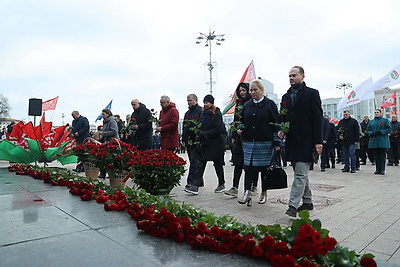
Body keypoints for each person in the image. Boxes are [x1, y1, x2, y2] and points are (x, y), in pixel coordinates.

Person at [278, 66, 323, 217]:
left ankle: (292, 205)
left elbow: (317, 119)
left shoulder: (312, 94)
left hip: (306, 140)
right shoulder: (285, 97)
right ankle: (308, 202)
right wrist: (281, 128)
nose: (291, 78)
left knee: (300, 175)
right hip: (291, 141)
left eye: (294, 75)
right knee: (301, 173)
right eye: (289, 76)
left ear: (302, 76)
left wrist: (318, 141)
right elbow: (283, 117)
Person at [236, 80, 280, 206]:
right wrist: (240, 128)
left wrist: (277, 142)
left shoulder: (269, 104)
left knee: (264, 170)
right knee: (248, 168)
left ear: (262, 90)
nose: (253, 92)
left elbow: (275, 124)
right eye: (251, 90)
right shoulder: (247, 105)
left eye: (255, 90)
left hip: (265, 142)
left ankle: (264, 192)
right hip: (249, 142)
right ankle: (247, 193)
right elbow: (242, 120)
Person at [184, 94, 226, 195]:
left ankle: (221, 184)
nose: (206, 104)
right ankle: (195, 185)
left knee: (217, 164)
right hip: (204, 143)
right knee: (200, 163)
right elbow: (200, 124)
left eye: (207, 102)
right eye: (205, 102)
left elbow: (218, 128)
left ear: (212, 103)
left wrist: (206, 134)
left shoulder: (217, 112)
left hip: (215, 144)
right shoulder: (203, 113)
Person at [225, 82, 251, 197]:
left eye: (244, 90)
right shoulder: (238, 105)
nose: (242, 93)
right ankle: (234, 187)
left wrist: (245, 130)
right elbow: (236, 121)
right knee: (238, 163)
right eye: (240, 91)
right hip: (239, 139)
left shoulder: (251, 104)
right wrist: (235, 134)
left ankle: (251, 187)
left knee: (249, 165)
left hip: (250, 139)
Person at [182, 94, 203, 188]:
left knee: (195, 161)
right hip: (189, 140)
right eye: (187, 100)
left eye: (190, 100)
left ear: (195, 100)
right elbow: (184, 126)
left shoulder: (200, 111)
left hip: (197, 140)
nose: (188, 102)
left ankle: (191, 181)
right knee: (193, 160)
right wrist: (183, 139)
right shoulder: (187, 113)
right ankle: (200, 180)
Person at [94, 108, 120, 178]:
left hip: (113, 143)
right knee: (104, 158)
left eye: (103, 114)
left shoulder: (112, 122)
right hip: (106, 142)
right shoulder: (105, 122)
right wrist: (100, 139)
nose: (102, 116)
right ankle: (103, 173)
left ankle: (111, 173)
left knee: (111, 159)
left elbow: (114, 132)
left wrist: (102, 133)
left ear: (108, 114)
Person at [367, 109, 391, 175]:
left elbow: (389, 129)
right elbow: (367, 130)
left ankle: (382, 169)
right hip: (374, 141)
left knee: (382, 156)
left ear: (380, 113)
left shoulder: (385, 120)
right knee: (376, 156)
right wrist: (371, 133)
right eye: (375, 112)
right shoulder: (371, 122)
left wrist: (382, 132)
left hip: (382, 141)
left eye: (377, 112)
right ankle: (377, 169)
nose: (376, 113)